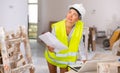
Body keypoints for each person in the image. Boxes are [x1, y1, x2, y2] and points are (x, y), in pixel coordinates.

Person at [44, 3, 87, 73]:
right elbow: (51, 41)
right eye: (70, 12)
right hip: (52, 56)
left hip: (65, 60)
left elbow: (80, 43)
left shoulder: (79, 28)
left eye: (74, 14)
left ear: (78, 18)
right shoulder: (57, 26)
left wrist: (84, 58)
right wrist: (49, 46)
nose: (70, 16)